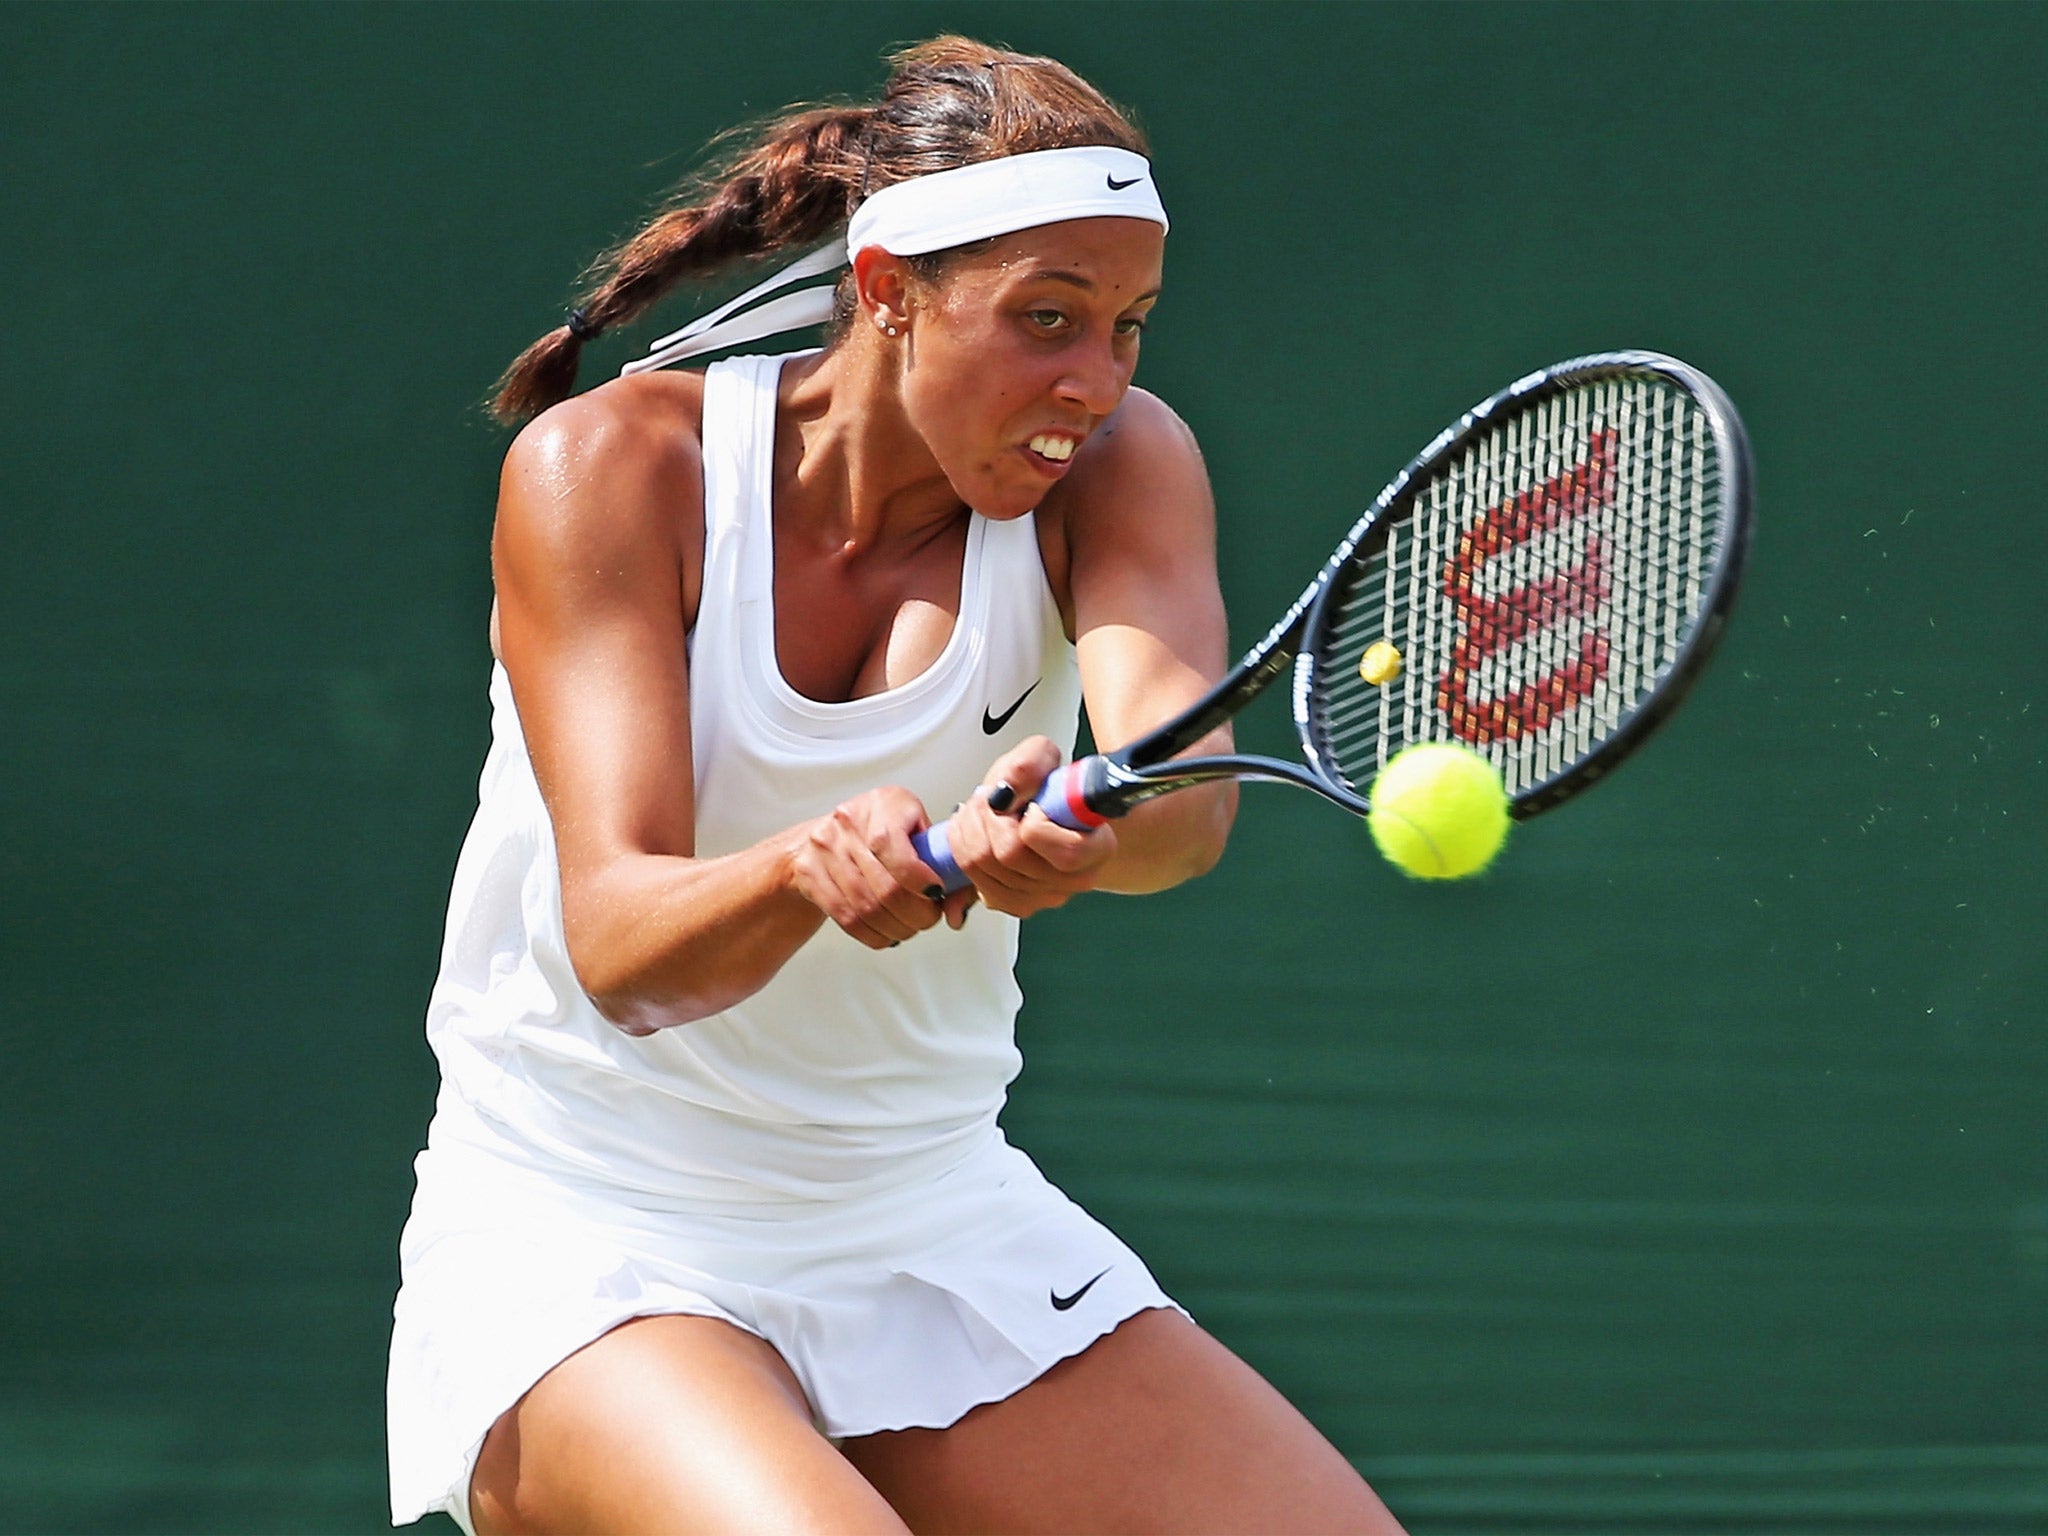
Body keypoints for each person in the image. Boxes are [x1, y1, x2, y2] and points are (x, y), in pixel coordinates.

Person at [387, 35, 1406, 1536]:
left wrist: (1078, 827)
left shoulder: (1126, 464)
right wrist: (808, 868)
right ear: (887, 292)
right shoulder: (609, 472)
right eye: (1045, 319)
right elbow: (619, 946)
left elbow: (1182, 808)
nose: (1095, 382)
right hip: (591, 1229)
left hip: (930, 1220)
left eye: (1128, 326)